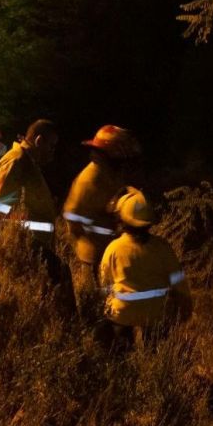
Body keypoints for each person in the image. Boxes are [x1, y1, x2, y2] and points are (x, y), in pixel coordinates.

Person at [98, 187, 192, 352]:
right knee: (155, 350)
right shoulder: (162, 248)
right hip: (155, 312)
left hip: (123, 313)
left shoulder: (113, 249)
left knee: (121, 351)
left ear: (122, 219)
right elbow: (178, 280)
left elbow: (105, 283)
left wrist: (106, 307)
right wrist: (185, 304)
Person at [63, 125, 141, 309]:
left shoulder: (109, 173)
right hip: (96, 257)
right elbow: (72, 217)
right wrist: (93, 242)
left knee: (118, 307)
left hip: (111, 253)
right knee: (103, 309)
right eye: (124, 156)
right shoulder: (91, 179)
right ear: (113, 154)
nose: (126, 161)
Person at [0, 119, 59, 244]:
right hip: (22, 246)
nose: (52, 152)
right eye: (51, 146)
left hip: (31, 245)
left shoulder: (27, 163)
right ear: (39, 141)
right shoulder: (17, 162)